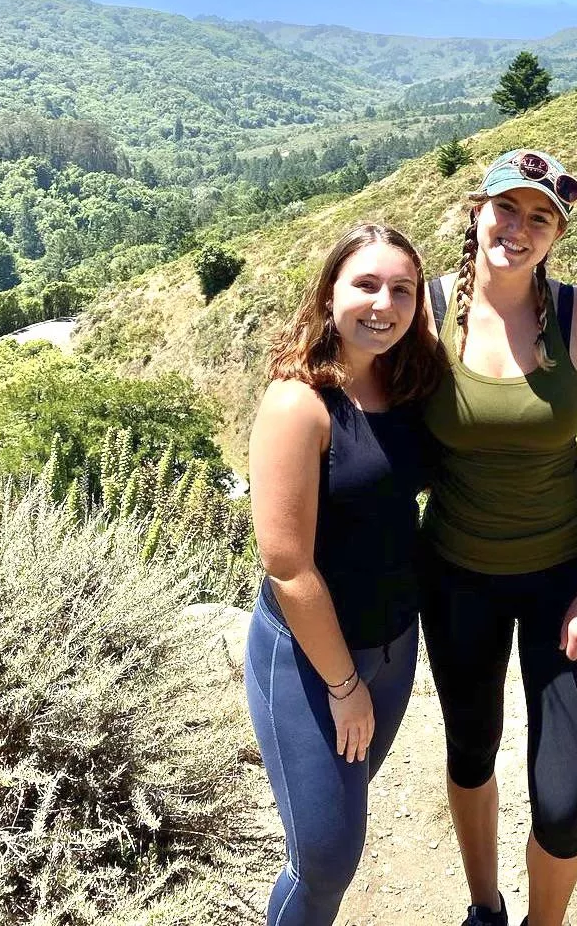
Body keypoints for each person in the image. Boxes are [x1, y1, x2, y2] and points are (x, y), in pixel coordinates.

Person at [420, 150, 577, 926]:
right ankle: (485, 908)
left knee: (563, 802)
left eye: (539, 217)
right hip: (456, 574)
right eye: (505, 207)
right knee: (470, 750)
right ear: (476, 211)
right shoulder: (427, 312)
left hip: (561, 583)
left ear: (555, 235)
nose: (518, 227)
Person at [244, 222, 440, 926]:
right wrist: (344, 686)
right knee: (325, 858)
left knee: (338, 818)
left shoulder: (404, 381)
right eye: (365, 285)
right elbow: (287, 565)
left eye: (402, 290)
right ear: (329, 293)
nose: (384, 304)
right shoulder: (298, 404)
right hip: (311, 661)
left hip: (393, 647)